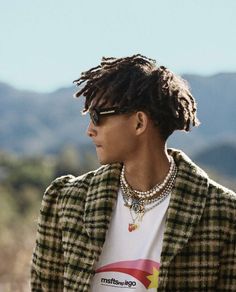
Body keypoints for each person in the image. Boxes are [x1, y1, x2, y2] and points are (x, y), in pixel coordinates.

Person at [31, 54, 236, 291]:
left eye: (97, 117)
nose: (89, 130)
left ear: (139, 123)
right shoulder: (66, 200)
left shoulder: (223, 212)